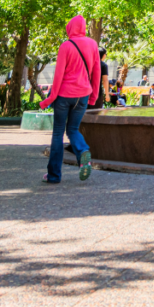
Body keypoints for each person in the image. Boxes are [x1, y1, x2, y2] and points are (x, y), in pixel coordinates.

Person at [39, 14, 100, 184]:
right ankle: (83, 151)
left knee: (58, 132)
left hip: (64, 95)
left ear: (70, 27)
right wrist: (93, 96)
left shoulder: (66, 46)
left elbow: (58, 75)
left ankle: (54, 175)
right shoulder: (93, 44)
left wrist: (49, 99)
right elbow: (96, 72)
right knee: (73, 129)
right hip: (83, 95)